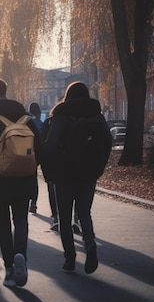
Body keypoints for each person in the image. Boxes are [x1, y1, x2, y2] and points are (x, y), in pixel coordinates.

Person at [0, 78, 42, 288]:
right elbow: (40, 148)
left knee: (3, 223)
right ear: (6, 91)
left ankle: (8, 269)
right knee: (21, 219)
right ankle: (20, 254)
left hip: (0, 180)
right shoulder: (27, 119)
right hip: (25, 179)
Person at [42, 81, 112, 274]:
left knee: (65, 218)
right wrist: (99, 167)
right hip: (89, 174)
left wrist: (50, 170)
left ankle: (70, 258)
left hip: (64, 174)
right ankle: (89, 243)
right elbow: (108, 141)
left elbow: (50, 145)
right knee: (84, 213)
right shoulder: (96, 115)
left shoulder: (61, 115)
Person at [28, 102, 44, 213]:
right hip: (37, 154)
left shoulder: (28, 123)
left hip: (26, 153)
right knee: (34, 179)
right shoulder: (41, 123)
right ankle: (33, 203)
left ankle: (26, 199)